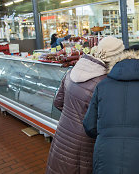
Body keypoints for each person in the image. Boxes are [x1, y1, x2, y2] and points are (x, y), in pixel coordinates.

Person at [46, 36, 125, 174]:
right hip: (85, 147)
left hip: (62, 137)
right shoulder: (104, 83)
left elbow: (58, 102)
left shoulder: (73, 70)